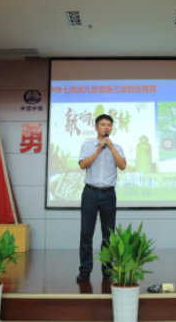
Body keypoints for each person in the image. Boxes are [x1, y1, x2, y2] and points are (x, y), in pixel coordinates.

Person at [77, 114, 126, 282]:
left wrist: (111, 147)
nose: (106, 127)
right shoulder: (87, 145)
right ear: (96, 127)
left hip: (108, 194)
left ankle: (107, 269)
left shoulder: (117, 147)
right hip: (90, 193)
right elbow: (83, 165)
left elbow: (122, 165)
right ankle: (85, 270)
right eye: (103, 124)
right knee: (86, 234)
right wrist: (97, 151)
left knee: (108, 235)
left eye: (109, 125)